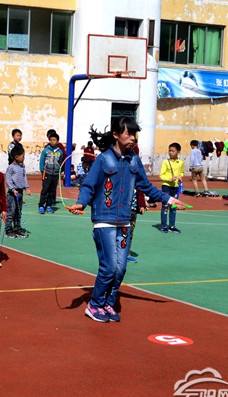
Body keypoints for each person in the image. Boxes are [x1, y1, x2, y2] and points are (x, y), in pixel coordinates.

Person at [67, 118, 187, 323]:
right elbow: (88, 185)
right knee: (109, 266)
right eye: (128, 134)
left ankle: (108, 303)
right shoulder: (103, 159)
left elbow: (146, 187)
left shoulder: (134, 160)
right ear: (116, 134)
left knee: (121, 268)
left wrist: (169, 199)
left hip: (124, 221)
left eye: (134, 135)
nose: (132, 138)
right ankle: (94, 305)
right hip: (104, 221)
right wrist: (81, 203)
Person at [5, 145, 30, 238]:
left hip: (20, 192)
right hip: (12, 193)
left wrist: (26, 187)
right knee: (11, 212)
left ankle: (17, 228)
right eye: (22, 155)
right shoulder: (11, 167)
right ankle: (8, 229)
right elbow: (8, 179)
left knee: (18, 212)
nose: (24, 157)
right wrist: (12, 189)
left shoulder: (22, 166)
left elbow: (24, 177)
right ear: (16, 157)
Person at [159, 142, 185, 233]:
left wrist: (180, 176)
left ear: (178, 152)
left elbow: (182, 172)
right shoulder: (166, 162)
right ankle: (163, 225)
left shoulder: (181, 163)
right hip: (166, 186)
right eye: (169, 151)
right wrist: (169, 179)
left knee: (173, 206)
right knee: (165, 205)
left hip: (176, 187)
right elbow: (161, 175)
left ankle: (172, 225)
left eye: (173, 151)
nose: (170, 152)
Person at [38, 129, 63, 214]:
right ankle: (41, 205)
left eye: (54, 140)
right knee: (45, 189)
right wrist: (42, 170)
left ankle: (48, 205)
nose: (52, 142)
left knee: (52, 191)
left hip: (55, 174)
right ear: (49, 141)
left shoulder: (60, 152)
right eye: (51, 140)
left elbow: (60, 162)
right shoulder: (46, 150)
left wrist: (58, 169)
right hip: (47, 173)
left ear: (57, 141)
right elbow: (42, 160)